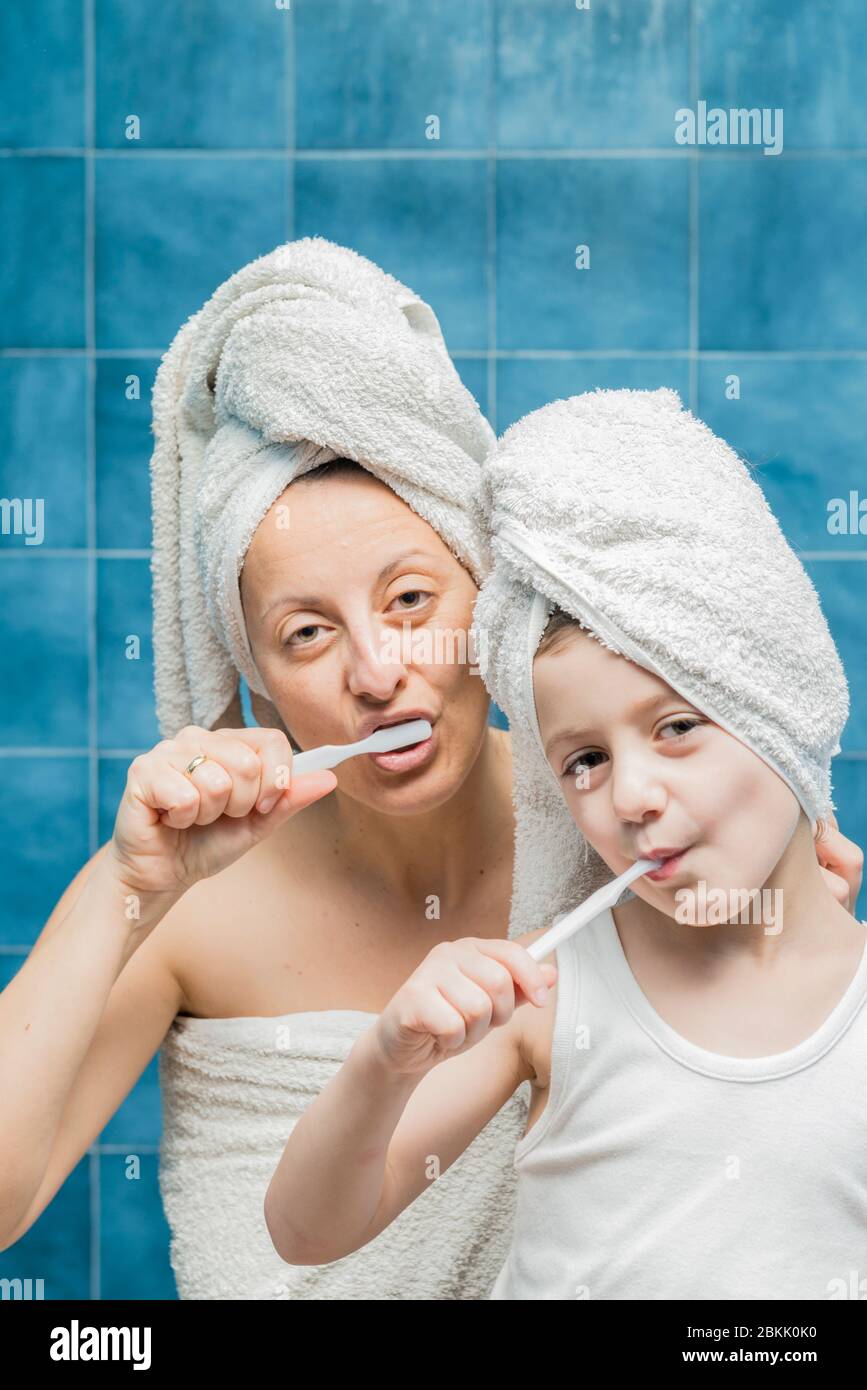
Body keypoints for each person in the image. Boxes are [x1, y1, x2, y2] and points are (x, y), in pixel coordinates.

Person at [0, 239, 531, 1300]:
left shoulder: (622, 828)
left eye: (412, 601)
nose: (377, 673)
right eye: (304, 633)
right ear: (255, 679)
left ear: (490, 590)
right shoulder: (192, 899)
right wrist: (124, 888)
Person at [263, 388, 867, 1300]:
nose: (627, 795)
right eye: (582, 760)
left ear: (775, 705)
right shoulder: (551, 994)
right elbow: (307, 1231)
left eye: (674, 728)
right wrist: (383, 1062)